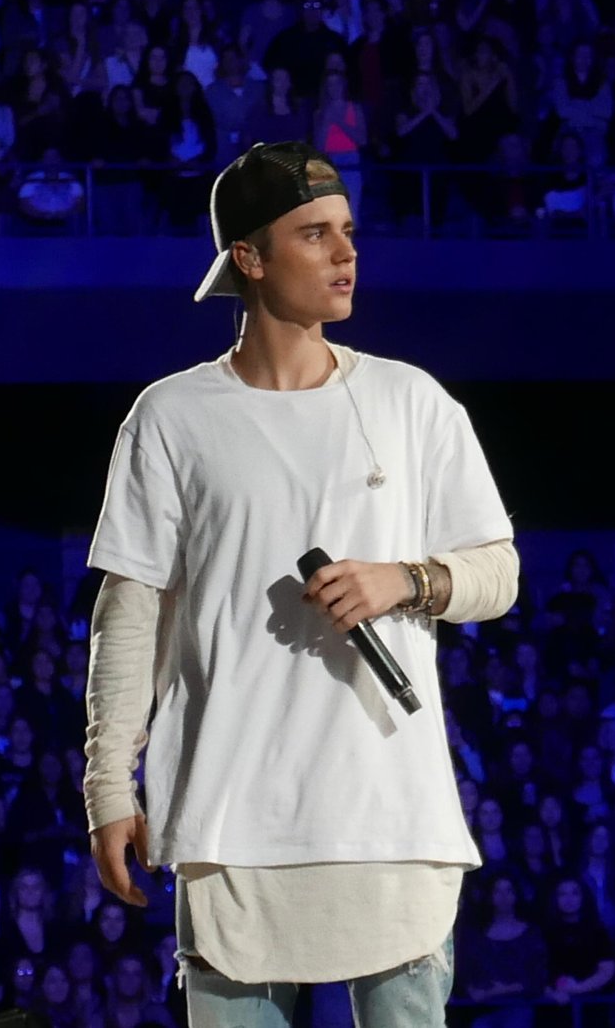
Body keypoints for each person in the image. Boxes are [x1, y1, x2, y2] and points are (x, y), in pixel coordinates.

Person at [82, 140, 520, 1028]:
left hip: (390, 818)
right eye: (315, 234)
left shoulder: (412, 402)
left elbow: (498, 572)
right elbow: (129, 617)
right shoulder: (171, 417)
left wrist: (406, 578)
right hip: (230, 820)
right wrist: (107, 789)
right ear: (248, 256)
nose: (346, 253)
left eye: (348, 232)